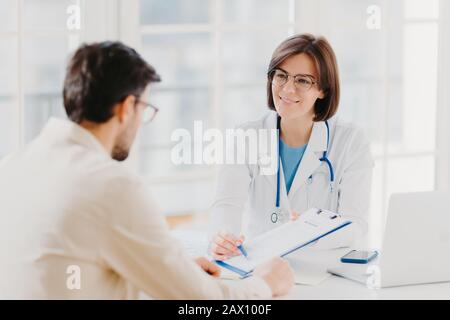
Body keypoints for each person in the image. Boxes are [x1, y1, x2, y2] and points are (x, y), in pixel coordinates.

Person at [0, 41, 294, 299]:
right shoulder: (111, 186)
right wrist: (264, 285)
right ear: (126, 108)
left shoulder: (13, 165)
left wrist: (171, 271)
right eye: (145, 109)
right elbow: (201, 301)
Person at [209, 34, 374, 261]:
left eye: (303, 81)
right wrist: (223, 238)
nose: (287, 89)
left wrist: (315, 232)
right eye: (281, 76)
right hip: (262, 266)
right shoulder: (247, 136)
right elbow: (227, 203)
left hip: (322, 268)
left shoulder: (350, 141)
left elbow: (356, 223)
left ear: (323, 89)